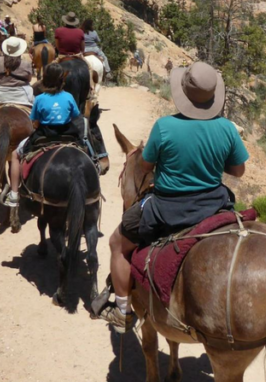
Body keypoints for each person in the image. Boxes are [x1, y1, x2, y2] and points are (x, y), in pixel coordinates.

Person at [101, 62, 249, 332]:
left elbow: (145, 166)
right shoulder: (227, 128)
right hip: (213, 205)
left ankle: (122, 311)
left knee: (116, 244)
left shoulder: (164, 126)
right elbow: (238, 171)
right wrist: (212, 162)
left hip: (166, 208)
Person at [5, 61, 81, 207]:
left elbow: (34, 120)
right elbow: (75, 115)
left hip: (45, 135)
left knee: (15, 154)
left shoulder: (39, 99)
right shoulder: (69, 96)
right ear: (62, 79)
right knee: (85, 148)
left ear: (45, 79)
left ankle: (14, 194)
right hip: (67, 134)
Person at [0, 37, 34, 108]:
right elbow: (29, 79)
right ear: (19, 50)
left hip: (0, 94)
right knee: (35, 106)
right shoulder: (26, 63)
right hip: (22, 94)